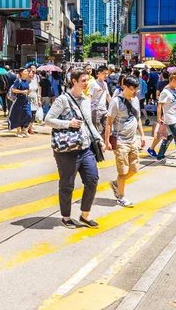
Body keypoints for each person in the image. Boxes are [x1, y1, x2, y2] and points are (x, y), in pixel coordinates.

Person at [45, 68, 105, 229]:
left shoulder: (85, 100)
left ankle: (85, 214)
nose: (86, 84)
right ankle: (66, 217)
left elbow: (88, 122)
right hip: (67, 150)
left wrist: (99, 139)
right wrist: (68, 123)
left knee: (92, 180)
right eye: (83, 81)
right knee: (67, 184)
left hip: (85, 147)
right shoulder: (62, 100)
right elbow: (48, 119)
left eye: (87, 80)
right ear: (74, 81)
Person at [105, 76, 146, 208]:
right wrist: (107, 141)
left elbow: (138, 118)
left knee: (134, 169)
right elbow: (108, 123)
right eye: (133, 89)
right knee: (122, 172)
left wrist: (142, 135)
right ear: (125, 87)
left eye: (137, 90)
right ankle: (121, 197)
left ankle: (117, 184)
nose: (135, 92)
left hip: (133, 140)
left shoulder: (135, 101)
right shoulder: (116, 102)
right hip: (121, 141)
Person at [8, 68, 33, 138]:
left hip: (25, 100)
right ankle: (18, 131)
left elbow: (26, 90)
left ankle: (24, 129)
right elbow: (13, 89)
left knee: (28, 115)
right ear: (21, 73)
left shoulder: (27, 81)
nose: (27, 72)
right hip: (18, 100)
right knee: (18, 115)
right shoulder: (18, 81)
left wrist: (28, 91)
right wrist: (22, 91)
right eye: (25, 71)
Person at [87, 65, 111, 134]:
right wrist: (88, 108)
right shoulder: (93, 83)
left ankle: (102, 139)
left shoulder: (105, 84)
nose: (106, 75)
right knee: (95, 129)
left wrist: (113, 104)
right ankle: (97, 143)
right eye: (104, 73)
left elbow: (108, 96)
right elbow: (90, 96)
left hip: (104, 109)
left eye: (107, 73)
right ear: (98, 74)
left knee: (108, 128)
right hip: (95, 110)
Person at [27, 66, 41, 135]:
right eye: (29, 72)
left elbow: (38, 90)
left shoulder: (36, 79)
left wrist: (39, 99)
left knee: (33, 114)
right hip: (27, 100)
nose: (31, 74)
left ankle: (30, 128)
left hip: (34, 99)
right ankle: (25, 128)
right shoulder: (25, 81)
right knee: (28, 114)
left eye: (32, 73)